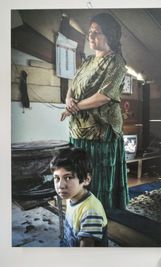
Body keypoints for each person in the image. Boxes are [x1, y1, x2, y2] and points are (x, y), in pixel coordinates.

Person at [60, 12, 129, 210]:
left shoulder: (116, 62)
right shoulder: (89, 60)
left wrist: (74, 107)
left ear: (110, 36)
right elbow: (73, 85)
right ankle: (79, 210)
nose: (91, 36)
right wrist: (68, 100)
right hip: (78, 129)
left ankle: (98, 214)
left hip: (100, 130)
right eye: (90, 32)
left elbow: (104, 96)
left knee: (96, 174)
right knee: (79, 172)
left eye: (97, 32)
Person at [50, 147, 108, 247]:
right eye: (57, 178)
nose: (60, 185)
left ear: (86, 179)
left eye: (68, 177)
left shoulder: (90, 212)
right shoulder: (71, 196)